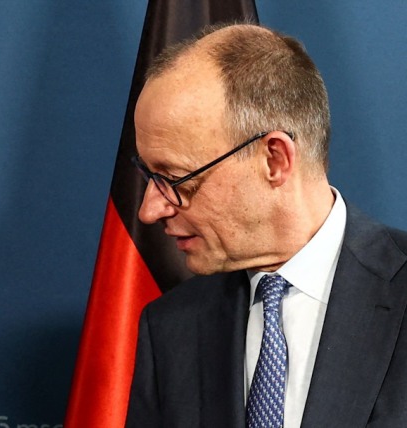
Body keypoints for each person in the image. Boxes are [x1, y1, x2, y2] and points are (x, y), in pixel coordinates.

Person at [125, 23, 407, 427]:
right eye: (148, 176)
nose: (150, 210)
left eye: (174, 179)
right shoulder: (170, 328)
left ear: (274, 160)